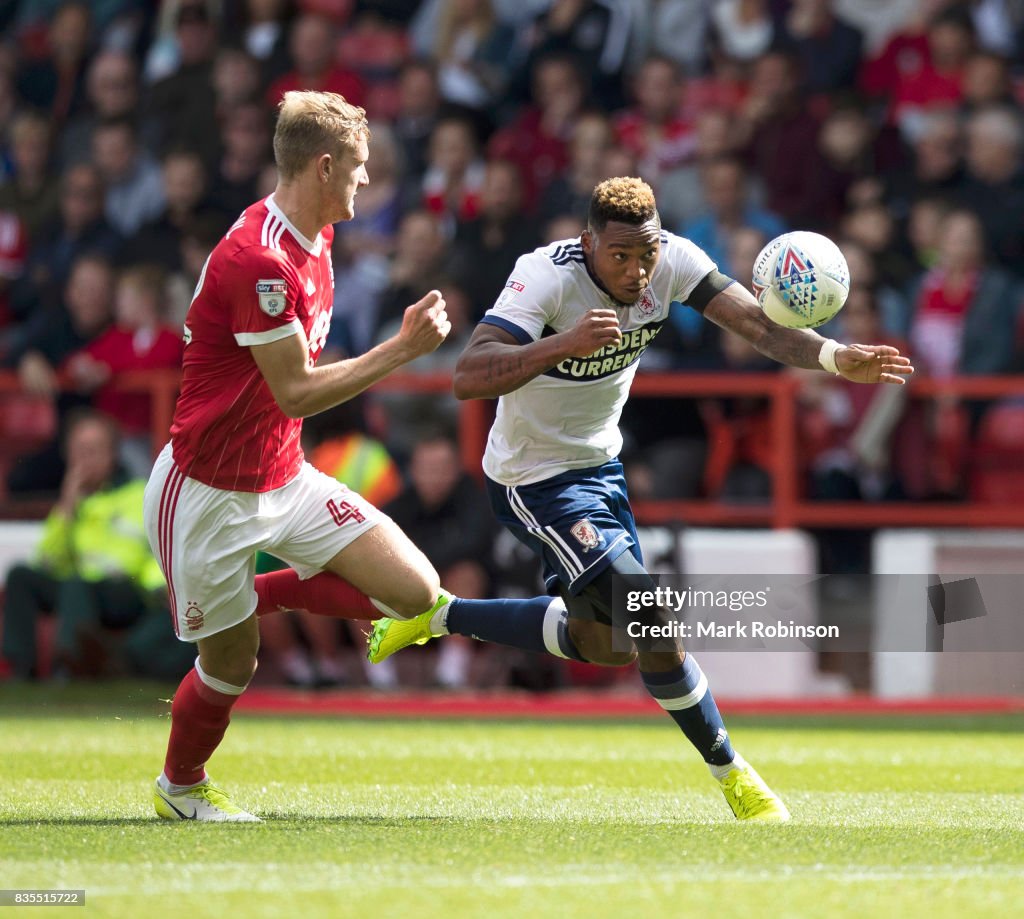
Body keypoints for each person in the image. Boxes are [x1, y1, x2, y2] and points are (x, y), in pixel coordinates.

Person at [368, 176, 914, 822]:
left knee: (609, 645)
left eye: (646, 254)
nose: (636, 270)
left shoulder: (675, 260)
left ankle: (438, 616)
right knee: (649, 610)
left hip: (601, 469)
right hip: (531, 477)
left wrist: (832, 355)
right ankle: (735, 776)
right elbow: (467, 374)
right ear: (588, 243)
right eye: (619, 256)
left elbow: (753, 324)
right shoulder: (545, 275)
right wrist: (563, 343)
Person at [144, 90, 452, 823]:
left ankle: (267, 592)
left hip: (284, 475)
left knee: (414, 592)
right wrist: (402, 352)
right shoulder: (260, 259)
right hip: (209, 493)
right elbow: (295, 391)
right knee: (231, 664)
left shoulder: (315, 236)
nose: (365, 181)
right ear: (323, 166)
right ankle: (179, 787)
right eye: (357, 167)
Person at [1, 410, 166, 680]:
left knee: (76, 583)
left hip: (124, 590)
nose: (85, 459)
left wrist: (158, 589)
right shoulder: (70, 503)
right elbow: (47, 561)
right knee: (20, 576)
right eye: (79, 450)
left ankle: (69, 667)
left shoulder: (138, 493)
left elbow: (148, 553)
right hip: (76, 589)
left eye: (94, 450)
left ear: (112, 454)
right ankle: (21, 671)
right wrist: (67, 507)